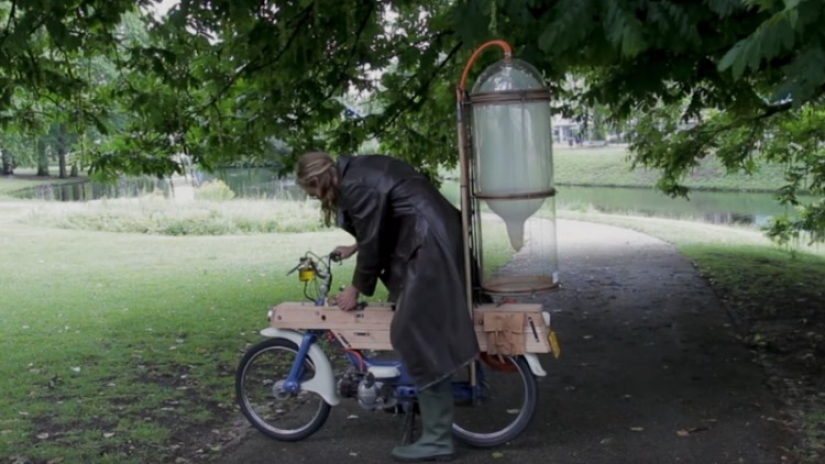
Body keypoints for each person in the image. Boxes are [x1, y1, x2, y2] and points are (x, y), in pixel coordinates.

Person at [296, 151, 480, 462]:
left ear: (318, 180)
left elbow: (375, 236)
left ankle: (437, 439)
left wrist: (355, 288)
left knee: (413, 330)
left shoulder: (354, 185)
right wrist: (356, 246)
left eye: (311, 191)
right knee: (414, 323)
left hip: (430, 245)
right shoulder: (356, 172)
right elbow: (382, 221)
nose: (314, 198)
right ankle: (427, 415)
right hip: (431, 235)